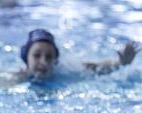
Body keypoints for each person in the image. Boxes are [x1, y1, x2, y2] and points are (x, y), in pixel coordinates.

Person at [12, 28, 140, 82]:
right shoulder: (16, 78)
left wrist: (120, 62)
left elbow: (98, 68)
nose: (43, 61)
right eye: (36, 55)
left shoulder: (66, 71)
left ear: (56, 60)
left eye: (49, 56)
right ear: (26, 57)